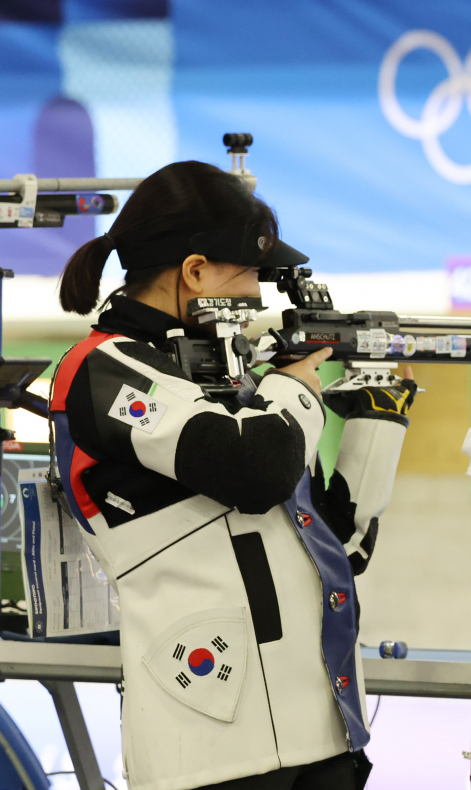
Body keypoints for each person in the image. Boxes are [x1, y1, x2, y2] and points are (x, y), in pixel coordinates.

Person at [52, 162, 414, 790]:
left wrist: (375, 424)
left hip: (321, 727)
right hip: (210, 739)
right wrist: (295, 388)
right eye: (250, 275)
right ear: (194, 272)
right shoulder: (100, 369)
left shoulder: (240, 380)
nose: (259, 299)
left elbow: (338, 548)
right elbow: (256, 471)